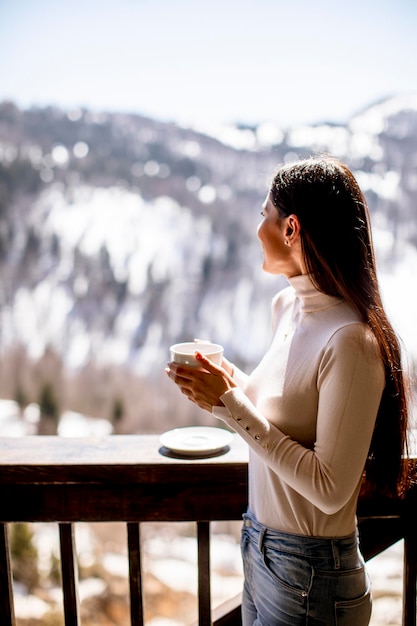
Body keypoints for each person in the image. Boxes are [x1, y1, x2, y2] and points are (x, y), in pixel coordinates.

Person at [165, 155, 410, 626]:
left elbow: (330, 488)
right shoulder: (287, 308)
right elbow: (284, 409)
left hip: (313, 573)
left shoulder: (352, 343)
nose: (258, 228)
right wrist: (223, 380)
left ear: (291, 228)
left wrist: (227, 403)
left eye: (264, 216)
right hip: (261, 550)